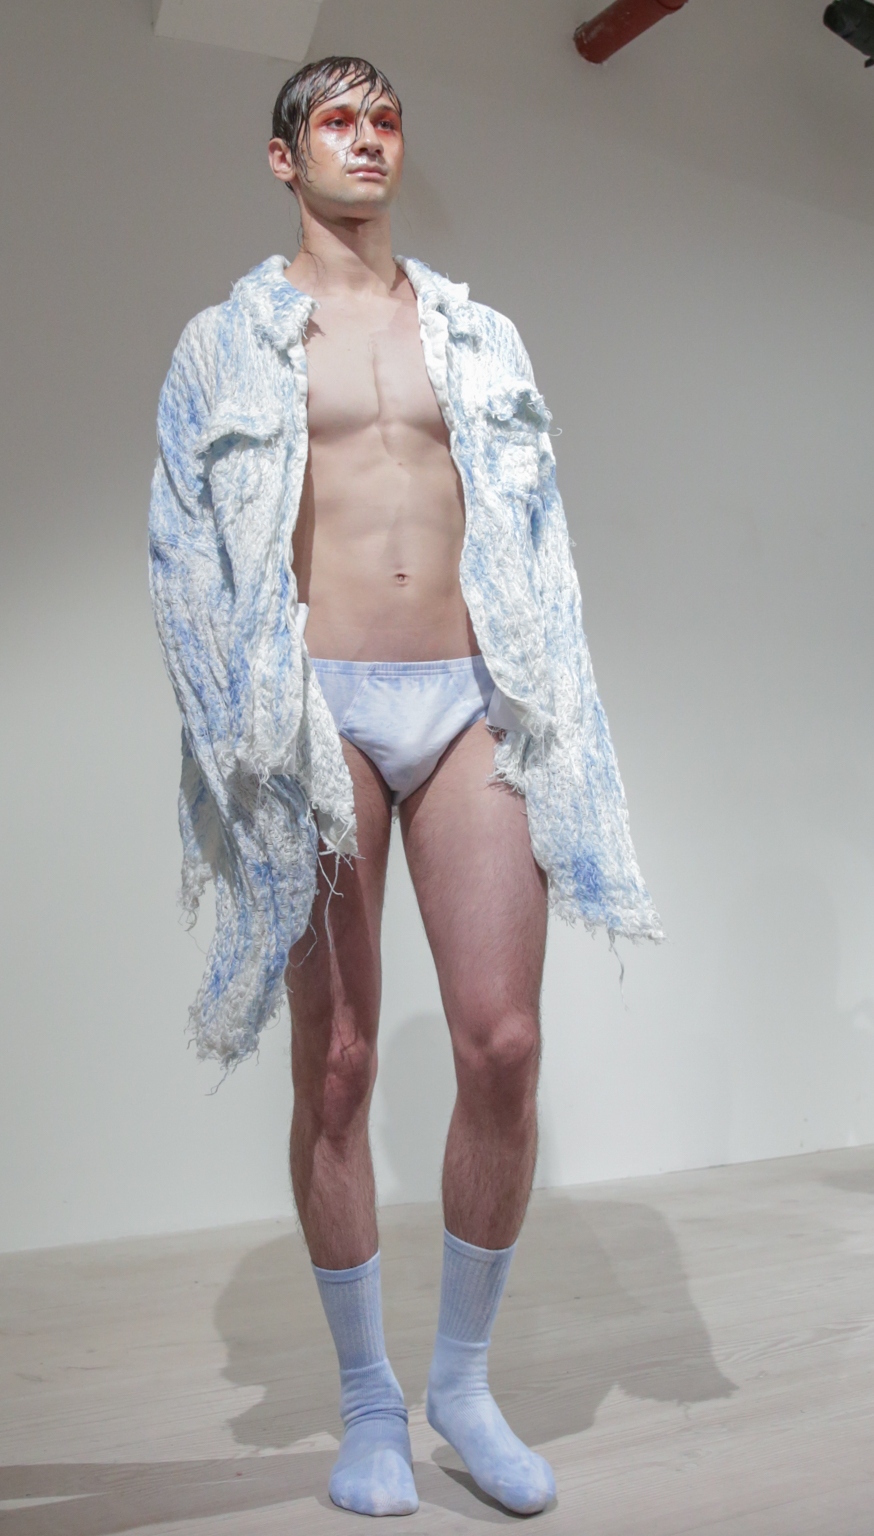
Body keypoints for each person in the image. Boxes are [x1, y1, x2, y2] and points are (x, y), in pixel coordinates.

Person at [150, 55, 662, 1518]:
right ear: (284, 157)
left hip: (473, 700)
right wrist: (239, 739)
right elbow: (182, 552)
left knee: (503, 1043)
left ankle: (463, 1386)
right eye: (337, 121)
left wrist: (555, 692)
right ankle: (370, 1403)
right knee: (339, 1063)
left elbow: (538, 537)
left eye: (385, 121)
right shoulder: (227, 343)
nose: (368, 141)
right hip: (317, 715)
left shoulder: (480, 335)